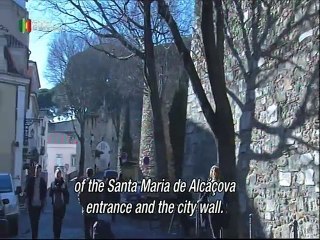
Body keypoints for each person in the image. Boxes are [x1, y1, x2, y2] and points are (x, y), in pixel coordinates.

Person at [198, 165, 229, 239]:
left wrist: (199, 201)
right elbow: (226, 197)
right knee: (219, 228)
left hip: (213, 207)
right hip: (221, 207)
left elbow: (205, 196)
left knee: (215, 231)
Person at [25, 164, 47, 239]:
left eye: (39, 171)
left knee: (36, 222)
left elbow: (44, 194)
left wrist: (43, 205)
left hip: (38, 205)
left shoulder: (42, 182)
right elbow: (27, 192)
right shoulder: (31, 180)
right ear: (35, 171)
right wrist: (27, 203)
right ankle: (34, 236)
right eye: (37, 170)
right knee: (32, 222)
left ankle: (35, 236)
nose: (38, 172)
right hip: (31, 205)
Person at [78, 168, 98, 239]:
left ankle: (87, 238)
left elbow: (80, 195)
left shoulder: (84, 183)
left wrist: (82, 204)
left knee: (86, 226)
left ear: (87, 174)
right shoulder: (96, 183)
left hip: (86, 207)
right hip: (94, 207)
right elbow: (100, 195)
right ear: (92, 173)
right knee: (94, 226)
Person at [49, 168, 69, 239]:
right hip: (55, 205)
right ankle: (55, 236)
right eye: (57, 174)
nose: (58, 176)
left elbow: (67, 194)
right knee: (55, 223)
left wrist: (61, 190)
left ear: (61, 175)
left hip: (62, 205)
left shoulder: (63, 183)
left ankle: (58, 235)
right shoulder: (53, 183)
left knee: (60, 222)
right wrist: (54, 189)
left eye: (59, 174)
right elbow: (50, 194)